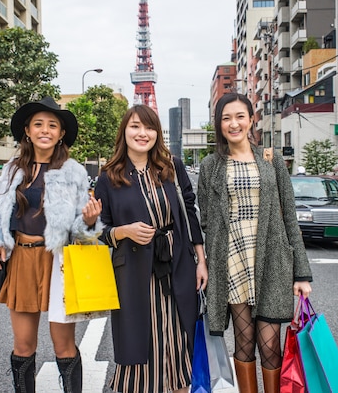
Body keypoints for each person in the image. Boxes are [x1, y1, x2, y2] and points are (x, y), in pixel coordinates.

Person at [0, 96, 103, 393]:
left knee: (64, 345)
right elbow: (0, 214)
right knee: (23, 344)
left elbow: (81, 230)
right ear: (27, 130)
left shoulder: (74, 171)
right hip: (22, 259)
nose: (45, 130)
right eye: (38, 124)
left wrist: (89, 222)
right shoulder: (12, 169)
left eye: (53, 125)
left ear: (61, 133)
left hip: (60, 262)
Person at [197, 93, 312, 393]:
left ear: (250, 120)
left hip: (272, 261)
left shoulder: (271, 161)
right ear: (219, 124)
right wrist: (207, 261)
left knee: (270, 344)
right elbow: (207, 219)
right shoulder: (211, 165)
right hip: (232, 262)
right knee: (244, 342)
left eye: (239, 116)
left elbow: (290, 219)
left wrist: (301, 273)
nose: (233, 124)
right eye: (226, 118)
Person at [94, 105, 208, 393]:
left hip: (176, 262)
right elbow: (98, 229)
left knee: (180, 333)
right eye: (135, 126)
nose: (142, 133)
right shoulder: (109, 176)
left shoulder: (172, 166)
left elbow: (189, 211)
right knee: (139, 337)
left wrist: (201, 260)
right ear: (124, 131)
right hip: (133, 269)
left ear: (157, 133)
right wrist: (124, 231)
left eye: (149, 127)